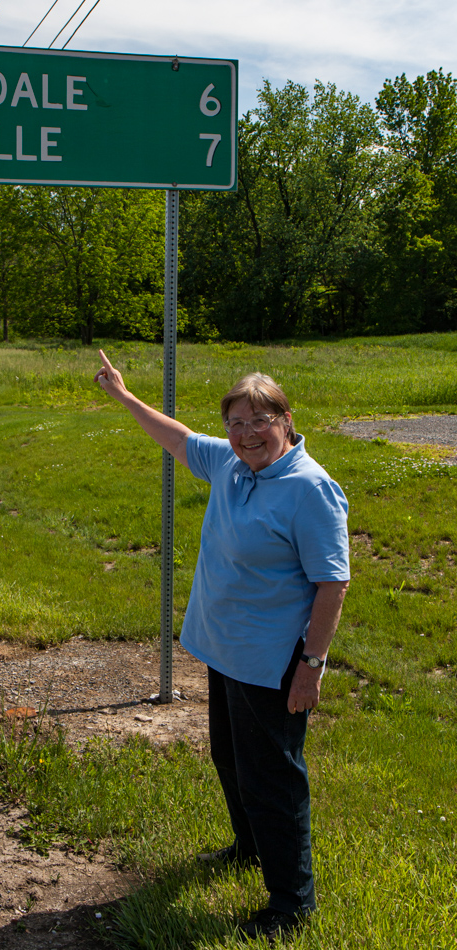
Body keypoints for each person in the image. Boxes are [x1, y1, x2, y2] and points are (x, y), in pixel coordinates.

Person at [93, 350, 349, 944]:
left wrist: (311, 666)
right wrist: (124, 397)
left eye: (259, 420)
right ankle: (248, 849)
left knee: (274, 780)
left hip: (272, 661)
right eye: (236, 422)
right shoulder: (232, 466)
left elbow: (332, 583)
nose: (246, 434)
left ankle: (292, 902)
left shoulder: (311, 489)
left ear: (286, 420)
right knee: (230, 760)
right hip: (225, 649)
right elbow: (179, 438)